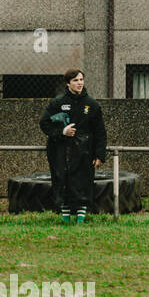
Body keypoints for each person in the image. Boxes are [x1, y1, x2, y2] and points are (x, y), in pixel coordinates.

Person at [39, 68, 107, 224]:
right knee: (63, 182)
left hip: (85, 152)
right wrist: (63, 131)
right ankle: (65, 218)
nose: (79, 83)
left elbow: (100, 132)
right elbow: (44, 123)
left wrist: (99, 154)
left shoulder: (92, 105)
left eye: (81, 79)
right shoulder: (57, 103)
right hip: (61, 151)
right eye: (76, 80)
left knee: (83, 183)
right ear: (68, 83)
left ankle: (81, 219)